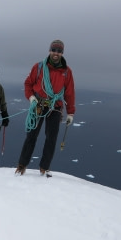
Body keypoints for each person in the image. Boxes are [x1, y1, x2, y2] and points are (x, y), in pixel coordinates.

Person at [15, 40, 75, 177]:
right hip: (39, 105)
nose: (56, 53)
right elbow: (28, 83)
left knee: (51, 138)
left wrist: (71, 112)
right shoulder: (39, 67)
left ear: (62, 53)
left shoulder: (67, 71)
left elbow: (69, 92)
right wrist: (31, 97)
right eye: (54, 50)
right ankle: (22, 165)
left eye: (59, 51)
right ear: (49, 50)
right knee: (31, 136)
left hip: (55, 107)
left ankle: (44, 168)